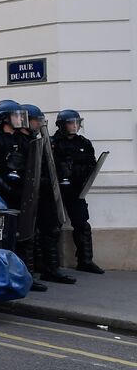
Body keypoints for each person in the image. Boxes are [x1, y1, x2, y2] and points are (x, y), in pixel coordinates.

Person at [0, 100, 48, 292]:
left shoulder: (20, 139)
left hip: (21, 194)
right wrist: (8, 189)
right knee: (5, 238)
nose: (19, 120)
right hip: (1, 196)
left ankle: (26, 276)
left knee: (25, 236)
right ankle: (4, 276)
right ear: (4, 119)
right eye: (15, 116)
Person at [22, 104, 75, 285]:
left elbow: (51, 164)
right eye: (36, 120)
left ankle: (51, 269)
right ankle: (29, 273)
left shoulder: (40, 140)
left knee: (51, 230)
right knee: (29, 235)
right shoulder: (23, 142)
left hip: (45, 193)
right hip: (28, 194)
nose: (39, 124)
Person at [53, 109, 103, 274]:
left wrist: (78, 171)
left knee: (82, 224)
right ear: (62, 125)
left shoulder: (84, 143)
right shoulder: (53, 143)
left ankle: (85, 261)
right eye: (70, 123)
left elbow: (92, 164)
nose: (75, 126)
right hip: (56, 190)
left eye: (77, 123)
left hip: (76, 189)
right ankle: (50, 265)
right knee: (52, 226)